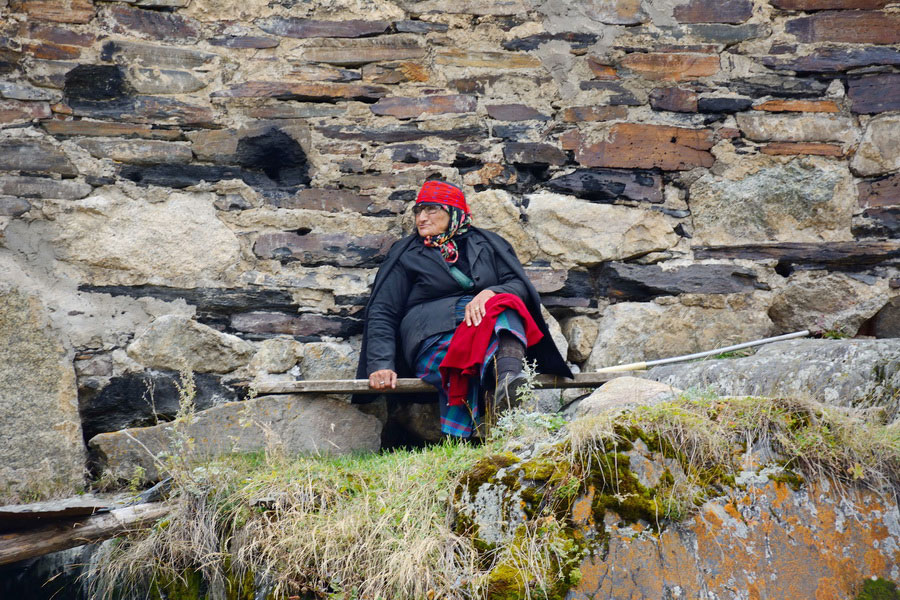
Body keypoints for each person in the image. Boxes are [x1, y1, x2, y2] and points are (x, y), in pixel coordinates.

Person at [354, 180, 571, 438]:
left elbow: (518, 285)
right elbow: (383, 310)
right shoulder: (406, 254)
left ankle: (508, 380)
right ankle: (501, 387)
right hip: (432, 338)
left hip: (485, 331)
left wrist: (489, 293)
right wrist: (380, 363)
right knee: (467, 355)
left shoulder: (489, 244)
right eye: (418, 211)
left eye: (431, 210)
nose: (421, 218)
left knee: (506, 304)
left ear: (454, 211)